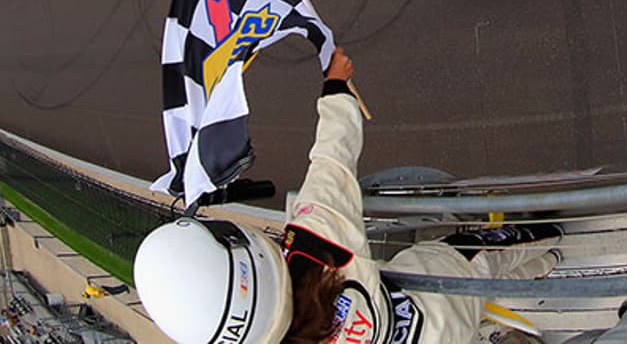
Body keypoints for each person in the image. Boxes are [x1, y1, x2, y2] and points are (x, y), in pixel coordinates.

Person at [134, 47, 562, 344]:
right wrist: (335, 85)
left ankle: (544, 267)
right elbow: (332, 161)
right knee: (477, 256)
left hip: (446, 330)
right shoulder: (314, 249)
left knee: (479, 287)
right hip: (435, 302)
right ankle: (548, 241)